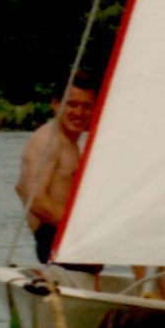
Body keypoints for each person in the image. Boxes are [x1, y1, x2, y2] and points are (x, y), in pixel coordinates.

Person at [16, 71, 99, 266]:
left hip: (69, 238)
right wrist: (83, 228)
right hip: (54, 240)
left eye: (87, 106)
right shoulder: (48, 141)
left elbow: (20, 187)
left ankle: (161, 294)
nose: (79, 113)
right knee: (131, 234)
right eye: (72, 104)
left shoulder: (70, 144)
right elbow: (35, 199)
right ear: (56, 104)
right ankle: (161, 294)